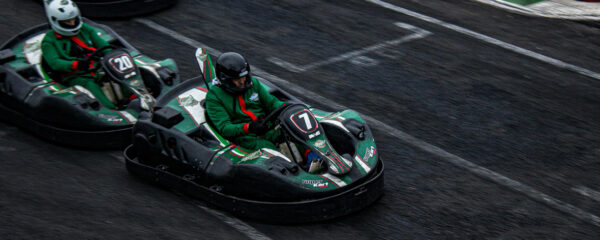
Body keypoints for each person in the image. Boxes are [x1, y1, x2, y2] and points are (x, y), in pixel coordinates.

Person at [41, 0, 117, 109]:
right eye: (67, 21)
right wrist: (77, 65)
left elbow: (103, 46)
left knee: (117, 73)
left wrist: (112, 57)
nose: (72, 23)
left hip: (97, 67)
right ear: (55, 21)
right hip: (75, 75)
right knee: (89, 85)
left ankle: (137, 99)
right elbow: (55, 63)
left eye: (74, 19)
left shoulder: (85, 29)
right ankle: (111, 109)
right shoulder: (48, 42)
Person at [205, 52, 286, 151]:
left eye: (244, 76)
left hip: (267, 127)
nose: (243, 81)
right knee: (270, 150)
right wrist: (249, 127)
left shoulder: (254, 84)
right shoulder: (214, 97)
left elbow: (273, 103)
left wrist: (287, 109)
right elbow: (225, 128)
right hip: (245, 138)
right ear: (225, 79)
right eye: (237, 79)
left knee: (293, 133)